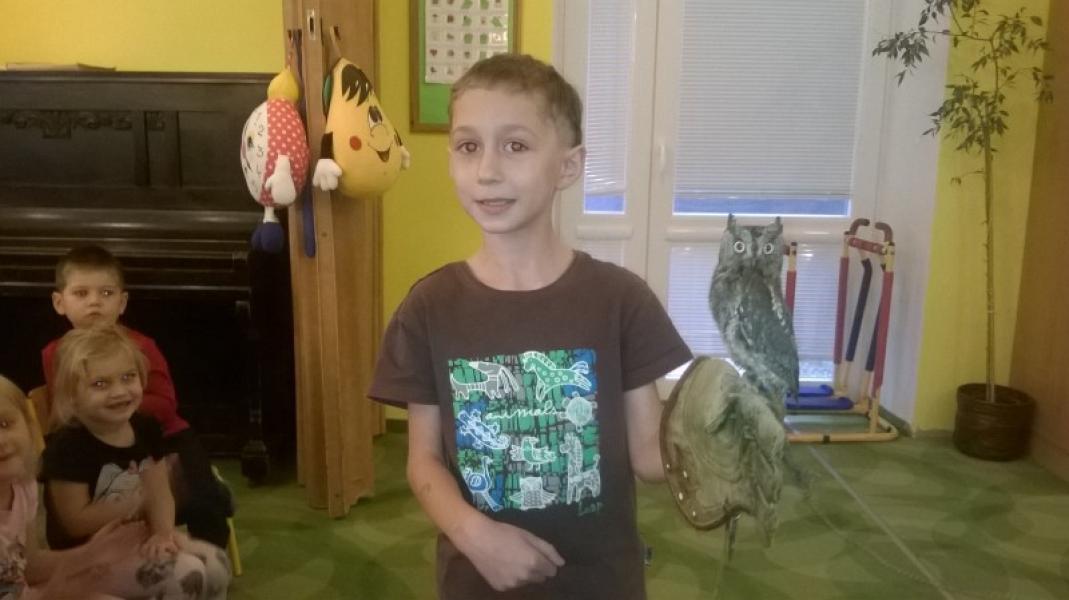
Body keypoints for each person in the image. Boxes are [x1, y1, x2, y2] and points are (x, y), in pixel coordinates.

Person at [368, 53, 692, 599]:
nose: (487, 170)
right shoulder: (428, 308)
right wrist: (473, 535)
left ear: (568, 166)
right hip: (477, 580)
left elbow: (646, 453)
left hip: (601, 585)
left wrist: (714, 448)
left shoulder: (621, 301)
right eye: (468, 146)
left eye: (515, 146)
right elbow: (423, 460)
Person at [41, 245, 233, 548]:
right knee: (65, 483)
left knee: (202, 496)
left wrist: (112, 405)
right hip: (96, 438)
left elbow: (165, 405)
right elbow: (64, 404)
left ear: (122, 302)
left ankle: (209, 548)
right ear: (59, 302)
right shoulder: (55, 353)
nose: (94, 302)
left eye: (106, 293)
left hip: (162, 435)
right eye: (81, 293)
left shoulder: (141, 346)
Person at [37, 326, 230, 599]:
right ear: (72, 395)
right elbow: (74, 522)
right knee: (187, 575)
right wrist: (134, 504)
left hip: (140, 538)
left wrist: (163, 533)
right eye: (100, 384)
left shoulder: (145, 428)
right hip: (89, 556)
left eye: (128, 377)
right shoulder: (67, 447)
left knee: (216, 564)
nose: (119, 391)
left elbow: (160, 493)